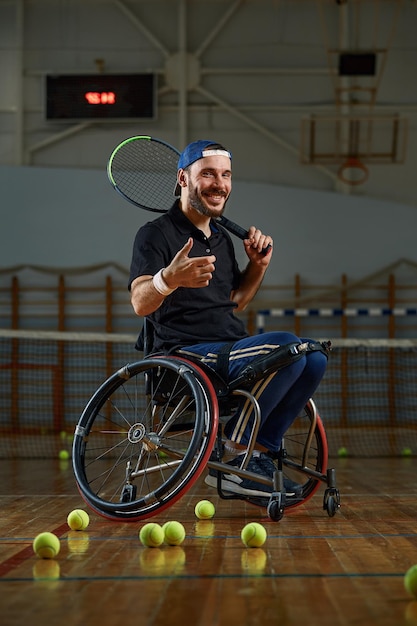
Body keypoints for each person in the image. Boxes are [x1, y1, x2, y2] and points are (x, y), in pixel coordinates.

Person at [128, 139, 329, 502]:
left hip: (228, 348)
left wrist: (258, 265)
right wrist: (168, 279)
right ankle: (236, 454)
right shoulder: (155, 234)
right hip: (185, 355)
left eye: (225, 175)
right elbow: (140, 302)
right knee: (287, 346)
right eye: (207, 174)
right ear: (183, 179)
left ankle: (257, 453)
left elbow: (235, 302)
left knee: (313, 356)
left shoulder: (220, 239)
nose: (219, 183)